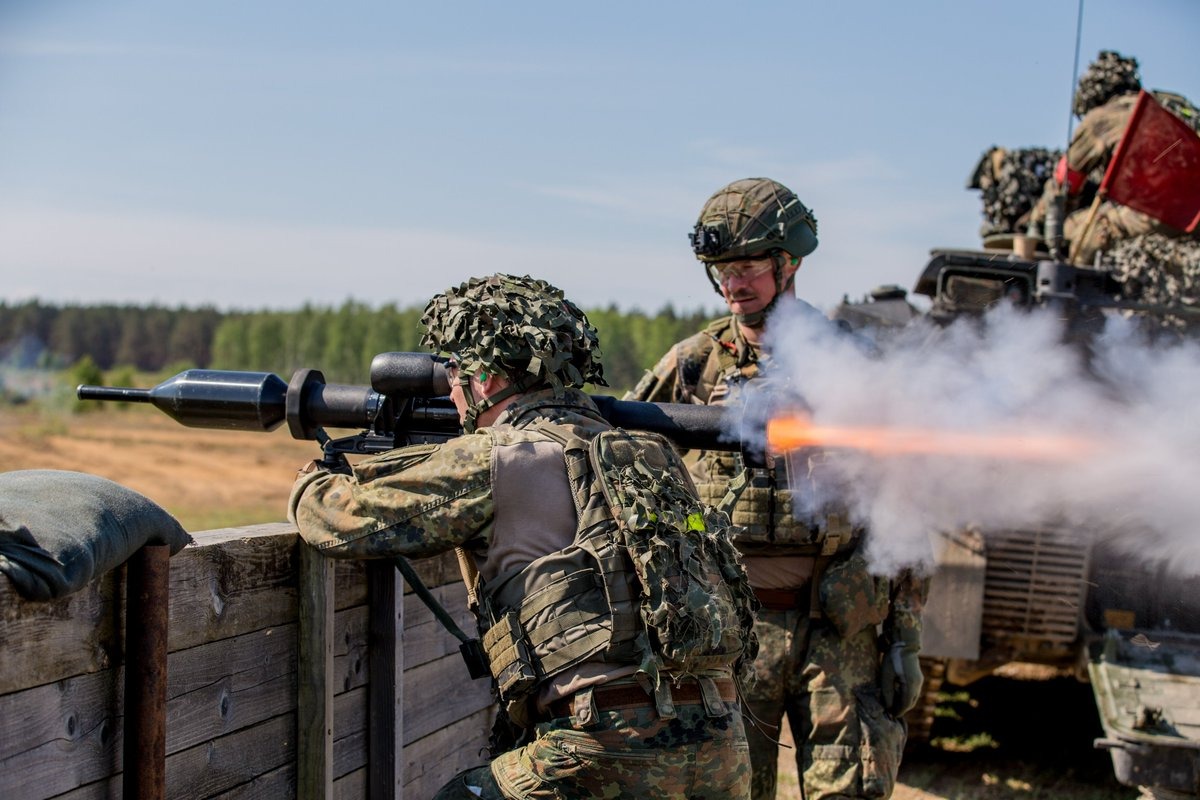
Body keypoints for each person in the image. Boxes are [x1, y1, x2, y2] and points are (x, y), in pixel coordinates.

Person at [289, 273, 759, 799]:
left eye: (456, 374)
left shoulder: (496, 456)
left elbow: (336, 519)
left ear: (485, 378)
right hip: (723, 743)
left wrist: (315, 477)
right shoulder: (652, 454)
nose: (452, 391)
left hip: (604, 746)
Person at [626, 178, 927, 800]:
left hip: (840, 636)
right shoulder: (695, 363)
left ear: (788, 264)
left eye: (747, 268)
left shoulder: (852, 360)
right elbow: (621, 449)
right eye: (721, 271)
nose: (733, 284)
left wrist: (906, 639)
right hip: (730, 634)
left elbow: (906, 503)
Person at [1029, 51, 1197, 266]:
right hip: (1193, 221)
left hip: (1152, 217)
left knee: (1083, 233)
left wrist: (1036, 222)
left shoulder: (1104, 117)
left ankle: (1068, 298)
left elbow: (1064, 182)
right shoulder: (1168, 109)